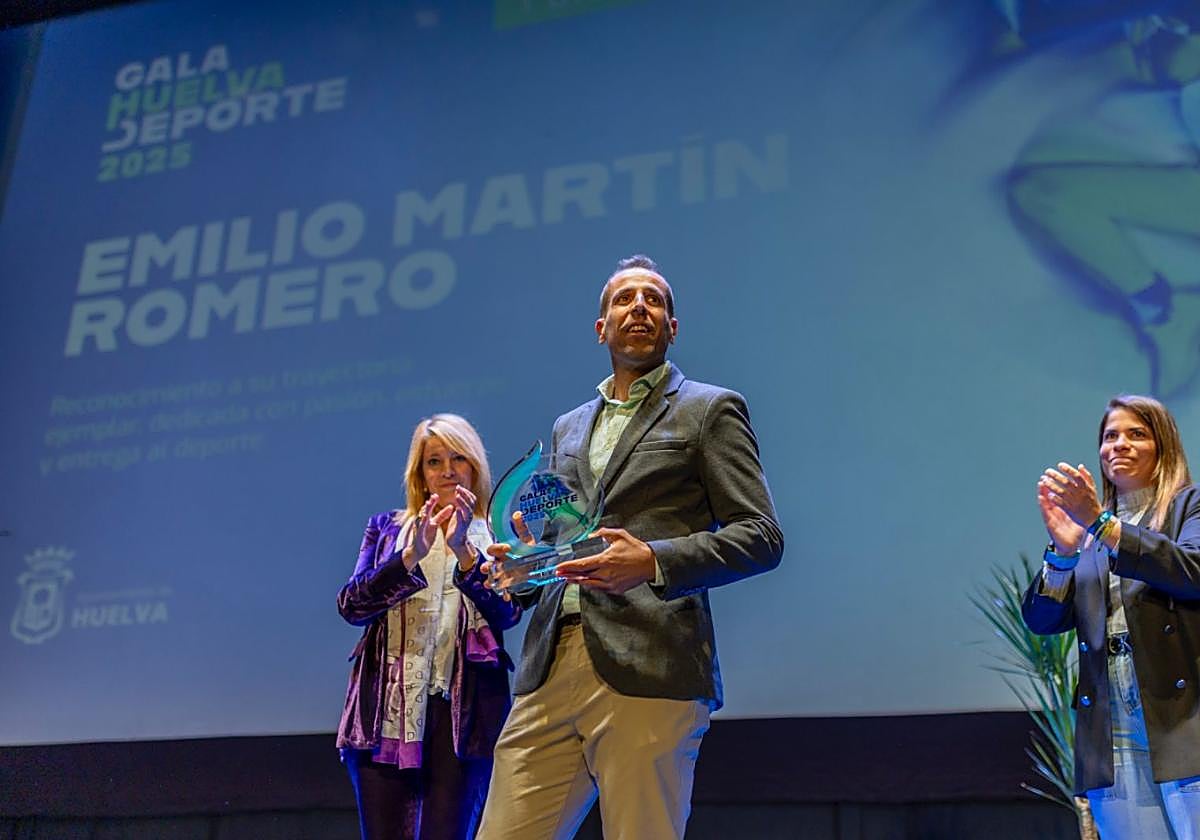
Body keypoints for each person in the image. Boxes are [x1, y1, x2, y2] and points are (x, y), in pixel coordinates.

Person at [476, 255, 784, 840]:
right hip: (551, 660)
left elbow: (761, 536)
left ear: (671, 326)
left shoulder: (708, 409)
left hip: (652, 660)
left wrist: (652, 560)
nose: (638, 307)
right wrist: (527, 566)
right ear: (601, 328)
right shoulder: (569, 426)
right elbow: (566, 538)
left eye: (654, 300)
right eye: (623, 299)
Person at [336, 413, 521, 840]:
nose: (448, 470)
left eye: (459, 458)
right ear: (419, 473)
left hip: (464, 719)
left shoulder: (493, 534)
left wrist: (464, 552)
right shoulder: (388, 530)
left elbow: (508, 614)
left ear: (475, 465)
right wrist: (408, 558)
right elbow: (352, 606)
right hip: (384, 712)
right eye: (434, 461)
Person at [1023, 394, 1200, 839]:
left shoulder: (1188, 506)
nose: (1118, 445)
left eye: (1136, 434)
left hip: (1183, 718)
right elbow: (1043, 620)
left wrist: (1101, 523)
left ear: (1163, 446)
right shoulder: (1089, 533)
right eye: (1109, 436)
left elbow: (1192, 572)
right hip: (1113, 727)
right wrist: (1063, 553)